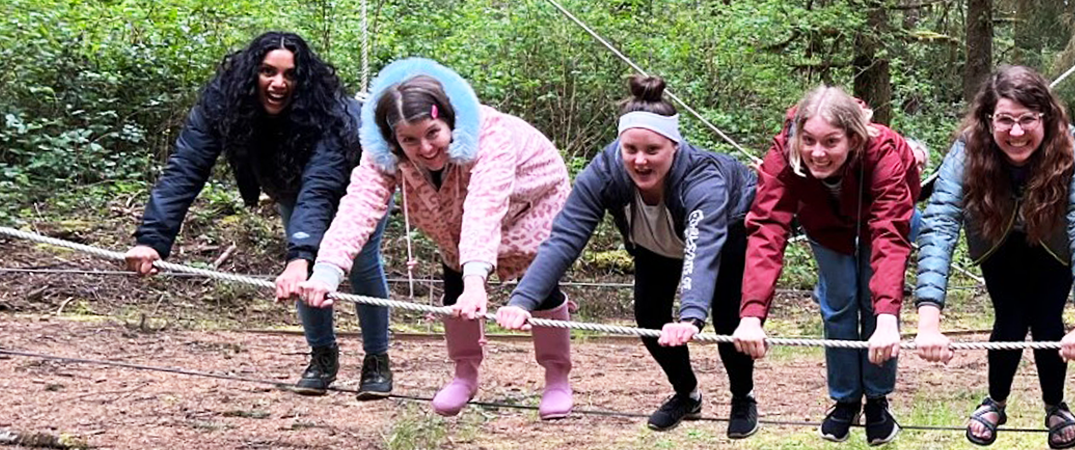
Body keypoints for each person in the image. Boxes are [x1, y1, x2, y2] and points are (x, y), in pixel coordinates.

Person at [296, 57, 576, 419]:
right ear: (393, 139)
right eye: (409, 140)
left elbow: (484, 206)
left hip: (531, 203)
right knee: (454, 278)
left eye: (433, 133)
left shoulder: (493, 136)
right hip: (453, 214)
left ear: (450, 121)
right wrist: (326, 273)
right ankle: (465, 373)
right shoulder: (382, 155)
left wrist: (479, 282)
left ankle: (557, 375)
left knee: (539, 286)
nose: (425, 149)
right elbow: (358, 209)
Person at [124, 31, 395, 399]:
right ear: (252, 72)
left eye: (290, 75)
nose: (278, 83)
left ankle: (376, 359)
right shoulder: (224, 103)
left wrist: (300, 255)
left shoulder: (328, 112)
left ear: (303, 80)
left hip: (357, 184)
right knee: (307, 269)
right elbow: (186, 168)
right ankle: (322, 356)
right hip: (288, 186)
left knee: (356, 263)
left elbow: (320, 187)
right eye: (268, 71)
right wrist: (151, 241)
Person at [505, 75, 761, 437]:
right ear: (620, 146)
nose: (640, 161)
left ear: (674, 146)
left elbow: (701, 248)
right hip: (654, 242)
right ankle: (686, 394)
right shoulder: (605, 171)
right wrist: (523, 300)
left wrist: (690, 316)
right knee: (649, 317)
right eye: (631, 150)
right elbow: (565, 236)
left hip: (726, 236)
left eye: (652, 151)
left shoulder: (704, 179)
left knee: (728, 320)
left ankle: (743, 396)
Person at [911, 65, 1075, 448]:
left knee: (1048, 319)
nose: (1016, 132)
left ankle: (1056, 406)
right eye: (1005, 120)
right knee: (1011, 317)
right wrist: (927, 322)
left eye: (1027, 120)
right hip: (997, 240)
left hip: (1052, 241)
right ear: (988, 119)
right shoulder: (968, 148)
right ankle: (995, 401)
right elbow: (939, 223)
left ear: (1045, 117)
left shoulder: (1071, 144)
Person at [731, 86, 921, 446]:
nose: (817, 153)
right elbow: (767, 229)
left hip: (879, 224)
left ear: (853, 138)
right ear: (797, 135)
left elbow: (890, 234)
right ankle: (846, 400)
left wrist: (886, 320)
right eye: (809, 141)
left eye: (831, 142)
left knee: (873, 304)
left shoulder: (884, 151)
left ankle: (878, 401)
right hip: (826, 228)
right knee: (839, 304)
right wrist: (751, 314)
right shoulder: (783, 155)